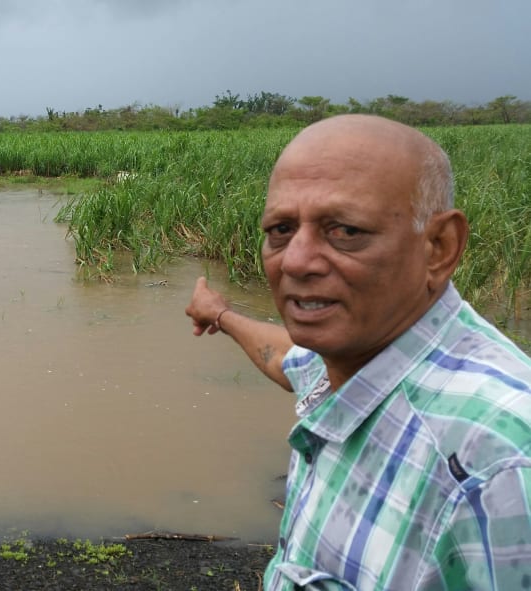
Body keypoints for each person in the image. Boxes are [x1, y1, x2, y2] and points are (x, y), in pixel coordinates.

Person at [185, 114, 531, 590]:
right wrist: (219, 314)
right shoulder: (352, 361)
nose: (297, 260)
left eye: (345, 231)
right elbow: (291, 361)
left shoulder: (497, 470)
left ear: (439, 247)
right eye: (281, 229)